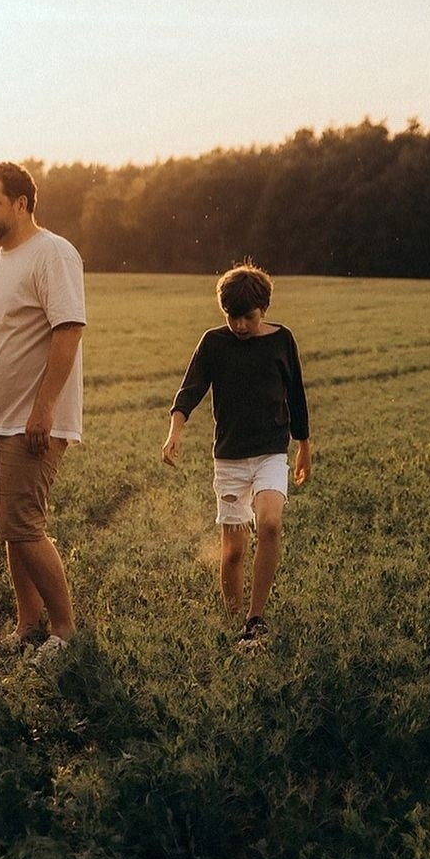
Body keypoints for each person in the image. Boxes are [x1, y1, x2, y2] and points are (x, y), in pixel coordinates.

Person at [162, 262, 311, 651]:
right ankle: (233, 621)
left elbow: (296, 396)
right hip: (229, 458)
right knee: (233, 553)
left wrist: (304, 447)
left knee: (271, 524)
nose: (240, 325)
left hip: (271, 453)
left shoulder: (282, 341)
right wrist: (175, 432)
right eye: (232, 317)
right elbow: (189, 389)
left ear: (264, 308)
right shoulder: (214, 342)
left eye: (248, 316)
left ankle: (255, 621)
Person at [0, 161, 86, 658]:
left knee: (24, 525)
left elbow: (69, 330)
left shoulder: (53, 253)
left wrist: (44, 409)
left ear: (21, 203)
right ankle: (27, 625)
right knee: (9, 531)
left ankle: (64, 632)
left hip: (31, 421)